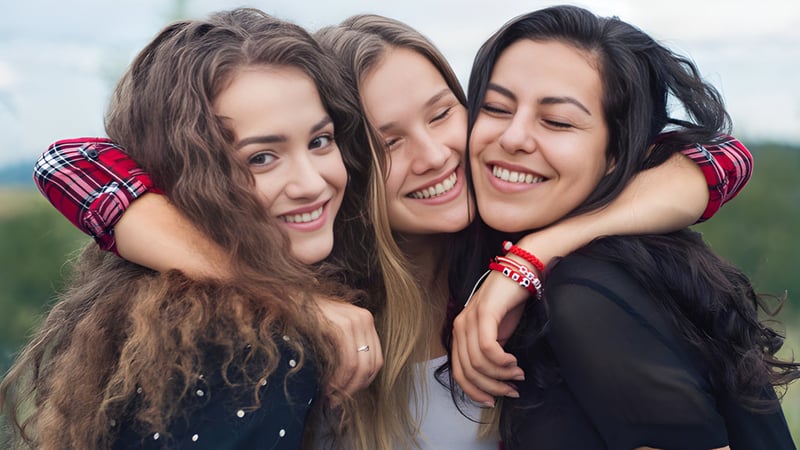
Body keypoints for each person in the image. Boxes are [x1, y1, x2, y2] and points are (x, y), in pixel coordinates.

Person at [30, 12, 753, 450]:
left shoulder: (507, 258)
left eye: (443, 113)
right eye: (387, 140)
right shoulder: (319, 295)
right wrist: (288, 299)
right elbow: (68, 164)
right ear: (347, 152)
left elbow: (722, 156)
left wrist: (533, 255)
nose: (437, 154)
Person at [0, 8, 380, 449]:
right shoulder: (249, 352)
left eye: (319, 141)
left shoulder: (177, 317)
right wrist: (289, 301)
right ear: (186, 175)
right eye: (261, 157)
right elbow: (64, 162)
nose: (313, 182)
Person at [454, 5, 798, 448]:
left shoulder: (587, 290)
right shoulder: (565, 269)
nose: (513, 137)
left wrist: (532, 256)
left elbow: (729, 154)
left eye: (556, 121)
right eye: (495, 107)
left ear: (618, 155)